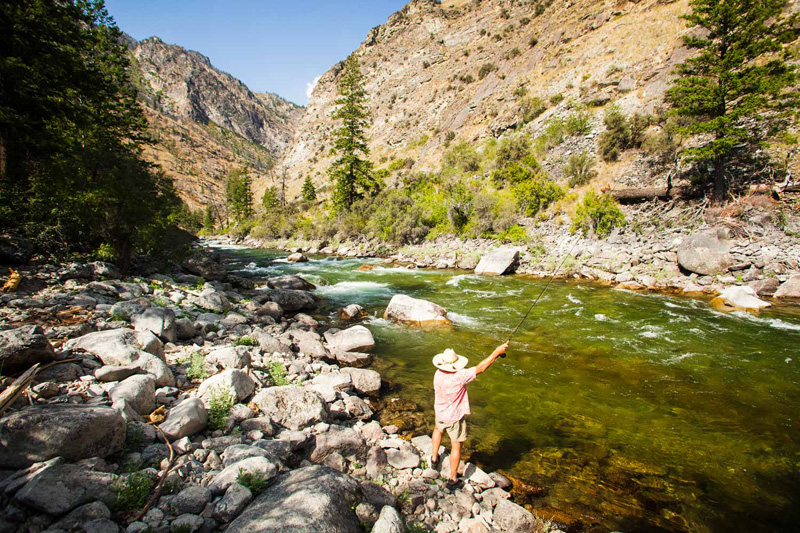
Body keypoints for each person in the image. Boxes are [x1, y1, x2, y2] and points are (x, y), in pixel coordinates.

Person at [430, 342, 509, 487]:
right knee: (456, 446)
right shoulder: (460, 376)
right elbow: (481, 368)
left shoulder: (438, 374)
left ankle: (434, 459)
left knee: (437, 430)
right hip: (454, 417)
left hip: (439, 411)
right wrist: (497, 352)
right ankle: (452, 478)